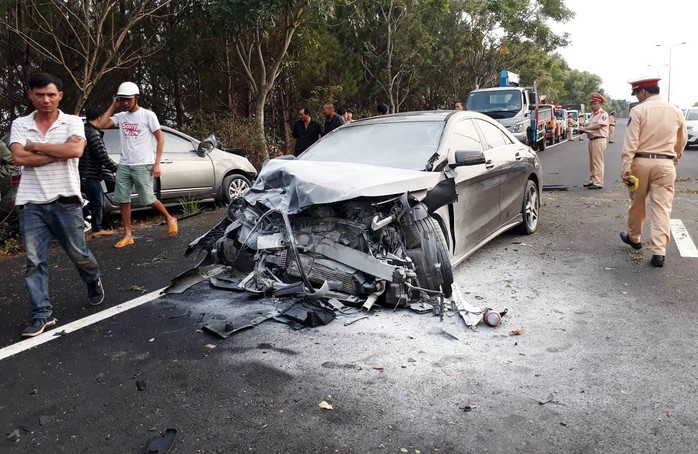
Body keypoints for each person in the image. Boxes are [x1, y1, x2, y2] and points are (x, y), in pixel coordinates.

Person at [9, 72, 104, 337]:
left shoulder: (73, 122)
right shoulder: (20, 123)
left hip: (66, 201)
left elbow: (75, 152)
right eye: (40, 95)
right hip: (31, 203)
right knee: (34, 262)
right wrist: (55, 150)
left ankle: (92, 278)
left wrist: (35, 146)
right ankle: (42, 315)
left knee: (79, 254)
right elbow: (18, 157)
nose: (46, 100)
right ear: (31, 95)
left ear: (60, 96)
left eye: (51, 94)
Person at [95, 81, 178, 248]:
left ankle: (169, 218)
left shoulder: (148, 115)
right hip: (124, 164)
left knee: (148, 199)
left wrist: (157, 163)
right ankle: (128, 235)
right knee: (123, 200)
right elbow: (101, 124)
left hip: (143, 164)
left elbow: (160, 138)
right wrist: (113, 105)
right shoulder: (120, 116)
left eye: (128, 99)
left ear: (136, 98)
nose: (125, 103)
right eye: (122, 99)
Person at [619, 77, 687, 268]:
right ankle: (659, 252)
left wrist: (626, 167)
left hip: (640, 162)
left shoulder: (639, 110)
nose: (638, 98)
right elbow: (682, 140)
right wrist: (675, 156)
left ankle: (634, 238)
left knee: (637, 204)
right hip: (665, 164)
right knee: (662, 208)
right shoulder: (676, 110)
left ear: (643, 92)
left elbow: (631, 142)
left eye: (637, 94)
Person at [81, 107, 119, 237]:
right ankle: (97, 229)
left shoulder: (85, 130)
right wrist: (119, 169)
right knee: (98, 202)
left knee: (98, 202)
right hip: (89, 174)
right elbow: (102, 157)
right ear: (98, 118)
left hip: (87, 174)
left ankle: (96, 227)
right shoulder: (93, 133)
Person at [578, 93, 609, 189]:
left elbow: (599, 125)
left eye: (595, 103)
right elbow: (590, 126)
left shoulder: (603, 114)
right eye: (592, 103)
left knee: (598, 161)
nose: (593, 105)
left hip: (599, 139)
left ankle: (598, 182)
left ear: (600, 103)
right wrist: (583, 129)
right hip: (591, 139)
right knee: (592, 162)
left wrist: (585, 129)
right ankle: (593, 180)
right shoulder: (593, 115)